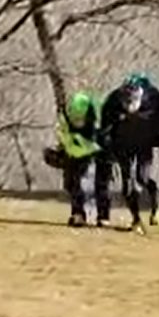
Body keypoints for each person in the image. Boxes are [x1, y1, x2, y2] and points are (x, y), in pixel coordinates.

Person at [99, 72, 159, 232]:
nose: (129, 106)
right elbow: (104, 129)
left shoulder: (153, 98)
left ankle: (157, 200)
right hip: (122, 143)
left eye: (133, 102)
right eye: (126, 103)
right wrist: (107, 148)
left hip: (144, 142)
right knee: (127, 183)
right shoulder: (112, 102)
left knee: (143, 177)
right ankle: (136, 219)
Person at [45, 91, 111, 228]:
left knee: (101, 181)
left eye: (79, 119)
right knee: (72, 181)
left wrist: (82, 143)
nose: (76, 122)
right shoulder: (64, 119)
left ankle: (103, 216)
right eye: (74, 119)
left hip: (100, 147)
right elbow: (65, 138)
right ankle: (78, 214)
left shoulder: (99, 118)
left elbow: (100, 142)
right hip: (74, 148)